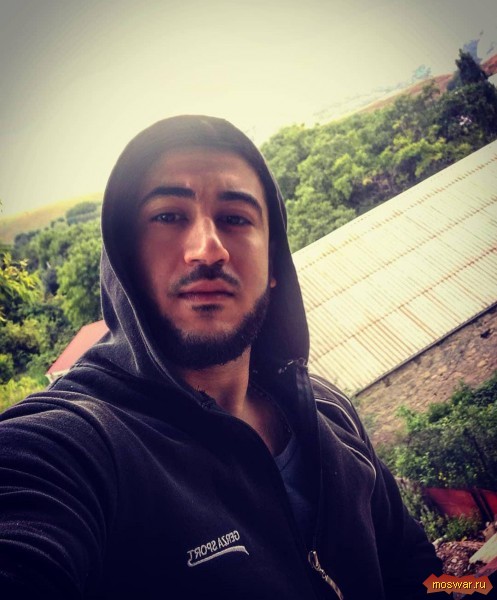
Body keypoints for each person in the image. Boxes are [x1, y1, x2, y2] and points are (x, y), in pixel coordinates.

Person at [0, 115, 445, 599]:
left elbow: (420, 573)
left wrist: (475, 585)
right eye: (168, 217)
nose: (207, 249)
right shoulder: (75, 449)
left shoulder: (327, 413)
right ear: (127, 259)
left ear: (273, 264)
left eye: (235, 218)